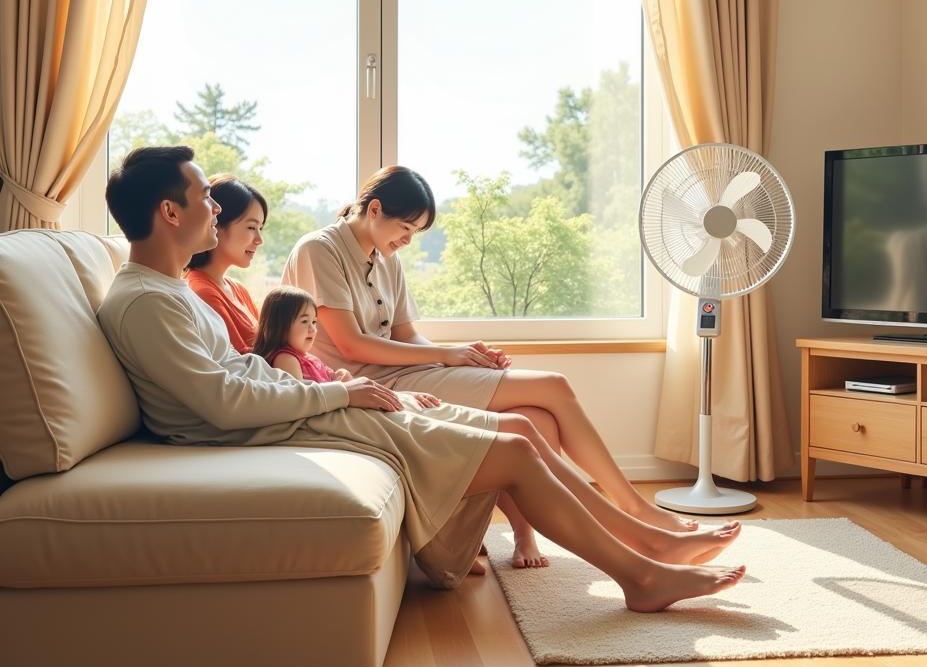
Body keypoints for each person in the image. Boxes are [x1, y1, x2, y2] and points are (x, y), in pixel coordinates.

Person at [97, 145, 745, 609]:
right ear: (170, 213)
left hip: (303, 406)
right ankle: (643, 572)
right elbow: (223, 403)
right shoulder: (147, 302)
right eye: (204, 196)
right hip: (275, 427)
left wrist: (349, 386)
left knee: (521, 426)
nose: (215, 206)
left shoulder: (168, 290)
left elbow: (241, 376)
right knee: (518, 444)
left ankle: (647, 543)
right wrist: (341, 389)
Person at [282, 166, 701, 569]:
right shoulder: (320, 249)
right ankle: (634, 510)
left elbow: (408, 334)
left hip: (400, 371)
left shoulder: (387, 257)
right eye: (405, 229)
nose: (408, 241)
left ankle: (528, 532)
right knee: (552, 386)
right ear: (374, 210)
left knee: (534, 416)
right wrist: (447, 357)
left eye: (415, 233)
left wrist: (466, 356)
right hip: (365, 383)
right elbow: (353, 343)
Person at [184, 175, 267, 352]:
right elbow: (240, 361)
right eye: (251, 227)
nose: (260, 240)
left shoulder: (237, 288)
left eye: (260, 228)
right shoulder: (202, 292)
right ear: (217, 224)